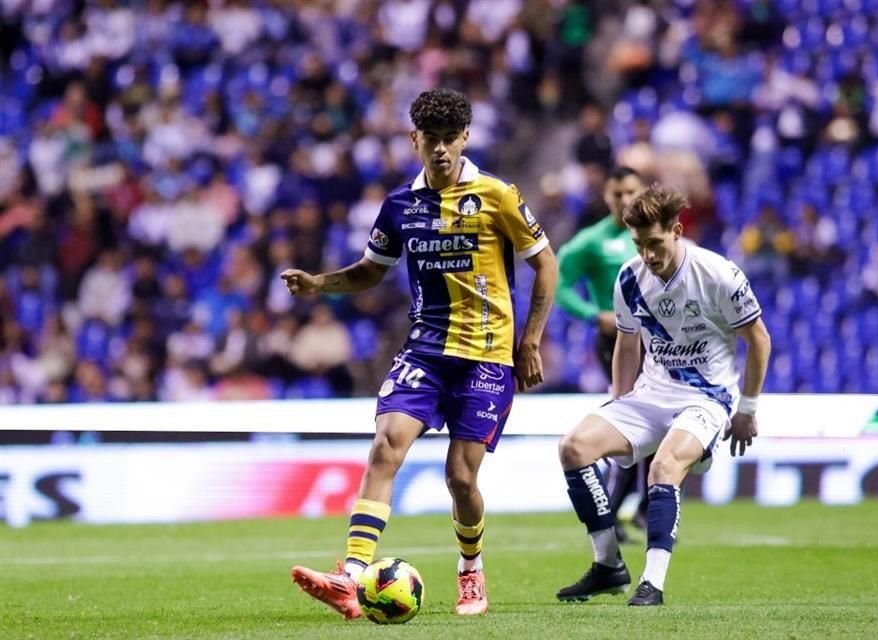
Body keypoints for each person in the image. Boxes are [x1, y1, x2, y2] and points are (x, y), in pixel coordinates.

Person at [281, 88, 558, 618]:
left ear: (466, 138)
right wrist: (320, 283)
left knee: (460, 476)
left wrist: (530, 341)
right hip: (425, 352)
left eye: (451, 139)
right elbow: (370, 270)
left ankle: (471, 568)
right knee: (386, 446)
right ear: (415, 140)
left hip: (486, 356)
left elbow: (546, 263)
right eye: (431, 139)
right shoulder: (400, 206)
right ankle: (352, 576)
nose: (441, 150)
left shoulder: (498, 196)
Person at [555, 184, 771, 606]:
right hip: (652, 393)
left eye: (655, 243)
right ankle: (608, 566)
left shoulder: (718, 273)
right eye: (639, 245)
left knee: (664, 466)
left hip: (706, 396)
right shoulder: (630, 278)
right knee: (573, 448)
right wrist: (619, 401)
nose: (648, 255)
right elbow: (628, 342)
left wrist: (747, 408)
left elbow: (759, 339)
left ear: (675, 230)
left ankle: (651, 584)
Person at [555, 166, 651, 543]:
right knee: (634, 420)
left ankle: (629, 509)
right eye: (617, 195)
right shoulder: (592, 242)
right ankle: (629, 508)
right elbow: (559, 285)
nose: (625, 201)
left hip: (659, 340)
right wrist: (593, 316)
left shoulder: (653, 234)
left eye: (631, 192)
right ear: (607, 197)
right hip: (619, 343)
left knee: (655, 420)